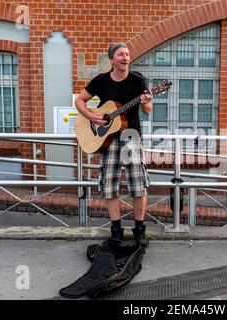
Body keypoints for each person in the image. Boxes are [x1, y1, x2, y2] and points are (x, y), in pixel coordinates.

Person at [75, 43, 153, 247]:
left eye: (127, 54)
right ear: (112, 60)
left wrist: (145, 101)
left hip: (131, 134)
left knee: (138, 185)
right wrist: (91, 116)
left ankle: (139, 229)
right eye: (121, 54)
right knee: (109, 185)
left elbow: (147, 111)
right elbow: (80, 101)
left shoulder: (138, 80)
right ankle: (116, 229)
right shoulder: (101, 81)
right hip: (108, 139)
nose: (125, 57)